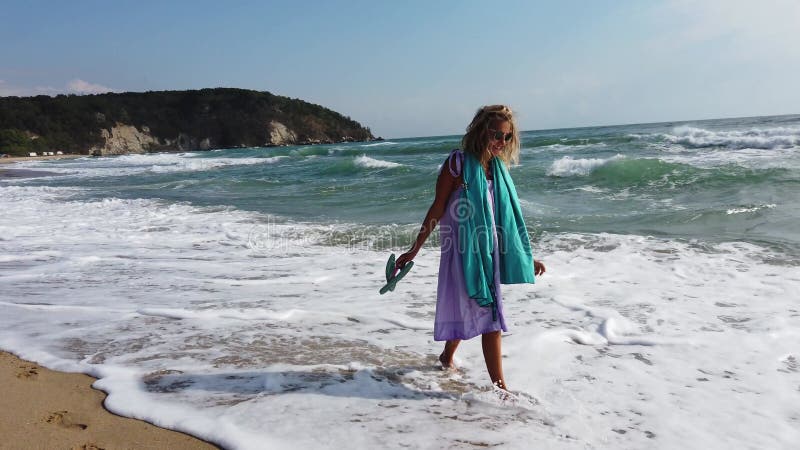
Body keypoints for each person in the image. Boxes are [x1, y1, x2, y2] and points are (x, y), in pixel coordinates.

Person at [395, 105, 545, 391]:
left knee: (478, 309)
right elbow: (437, 207)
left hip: (490, 254)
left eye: (507, 137)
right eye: (496, 135)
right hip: (464, 254)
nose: (501, 143)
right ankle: (501, 389)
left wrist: (526, 257)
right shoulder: (458, 163)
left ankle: (447, 356)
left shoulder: (498, 170)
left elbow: (505, 219)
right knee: (490, 317)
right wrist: (414, 249)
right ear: (480, 132)